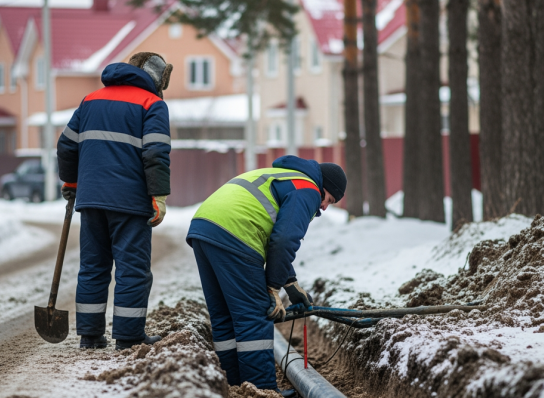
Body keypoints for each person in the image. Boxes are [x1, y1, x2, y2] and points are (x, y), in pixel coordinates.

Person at [186, 155, 347, 395]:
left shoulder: (286, 177)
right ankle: (261, 391)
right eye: (329, 199)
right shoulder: (308, 189)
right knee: (254, 317)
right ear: (323, 188)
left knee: (224, 316)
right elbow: (283, 241)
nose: (323, 207)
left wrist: (290, 284)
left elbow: (276, 240)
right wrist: (272, 287)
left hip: (204, 228)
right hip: (236, 233)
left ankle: (233, 385)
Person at [57, 52, 173, 350]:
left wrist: (72, 183)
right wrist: (158, 195)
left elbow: (67, 145)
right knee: (132, 270)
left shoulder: (90, 100)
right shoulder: (152, 105)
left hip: (92, 199)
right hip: (130, 202)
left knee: (93, 267)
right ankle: (129, 336)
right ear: (156, 78)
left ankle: (90, 335)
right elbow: (156, 153)